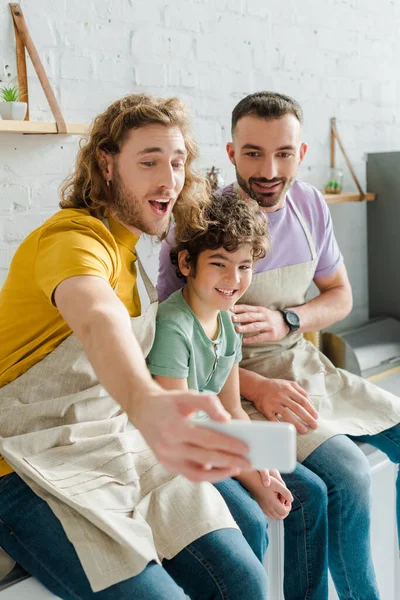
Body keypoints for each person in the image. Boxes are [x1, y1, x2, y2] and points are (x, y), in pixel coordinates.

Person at [0, 94, 269, 600]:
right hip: (24, 461)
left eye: (176, 161)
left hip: (114, 442)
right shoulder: (72, 238)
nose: (168, 179)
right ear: (106, 163)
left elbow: (227, 403)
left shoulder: (134, 260)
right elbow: (99, 319)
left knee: (245, 568)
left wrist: (259, 452)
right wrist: (147, 404)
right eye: (148, 162)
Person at [157, 91, 400, 600]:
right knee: (347, 476)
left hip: (303, 365)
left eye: (284, 154)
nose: (269, 169)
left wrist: (289, 318)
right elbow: (187, 348)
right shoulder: (199, 223)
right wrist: (257, 388)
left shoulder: (310, 205)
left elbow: (340, 297)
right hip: (241, 388)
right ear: (230, 153)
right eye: (253, 154)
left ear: (301, 152)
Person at [147, 189, 293, 521]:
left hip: (216, 441)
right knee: (252, 519)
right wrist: (254, 482)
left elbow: (230, 409)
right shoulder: (173, 327)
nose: (234, 278)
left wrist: (263, 466)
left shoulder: (226, 320)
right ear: (186, 262)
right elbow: (181, 427)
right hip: (180, 450)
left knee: (302, 491)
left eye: (244, 266)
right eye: (219, 263)